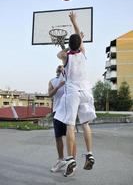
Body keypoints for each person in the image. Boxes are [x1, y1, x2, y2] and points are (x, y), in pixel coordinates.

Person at [54, 11, 96, 177]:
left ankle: (70, 159)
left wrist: (67, 47)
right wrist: (74, 21)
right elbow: (79, 38)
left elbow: (59, 54)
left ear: (69, 45)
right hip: (86, 91)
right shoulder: (83, 53)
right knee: (85, 124)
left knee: (70, 125)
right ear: (80, 44)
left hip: (73, 93)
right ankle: (90, 153)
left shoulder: (66, 56)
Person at [48, 65, 76, 172]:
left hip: (69, 110)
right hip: (57, 112)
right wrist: (59, 86)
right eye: (59, 67)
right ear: (56, 70)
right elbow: (49, 94)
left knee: (71, 137)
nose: (61, 68)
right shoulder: (52, 81)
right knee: (58, 137)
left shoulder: (71, 80)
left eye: (62, 67)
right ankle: (61, 160)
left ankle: (72, 162)